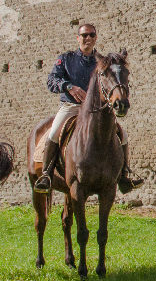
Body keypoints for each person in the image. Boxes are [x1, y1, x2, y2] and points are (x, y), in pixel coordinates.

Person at [34, 23, 138, 194]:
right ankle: (46, 174)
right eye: (84, 35)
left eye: (91, 35)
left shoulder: (102, 62)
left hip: (95, 111)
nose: (88, 38)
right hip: (71, 107)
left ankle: (124, 175)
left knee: (123, 134)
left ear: (95, 38)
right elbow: (51, 81)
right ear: (78, 38)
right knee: (53, 133)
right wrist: (68, 87)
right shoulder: (66, 59)